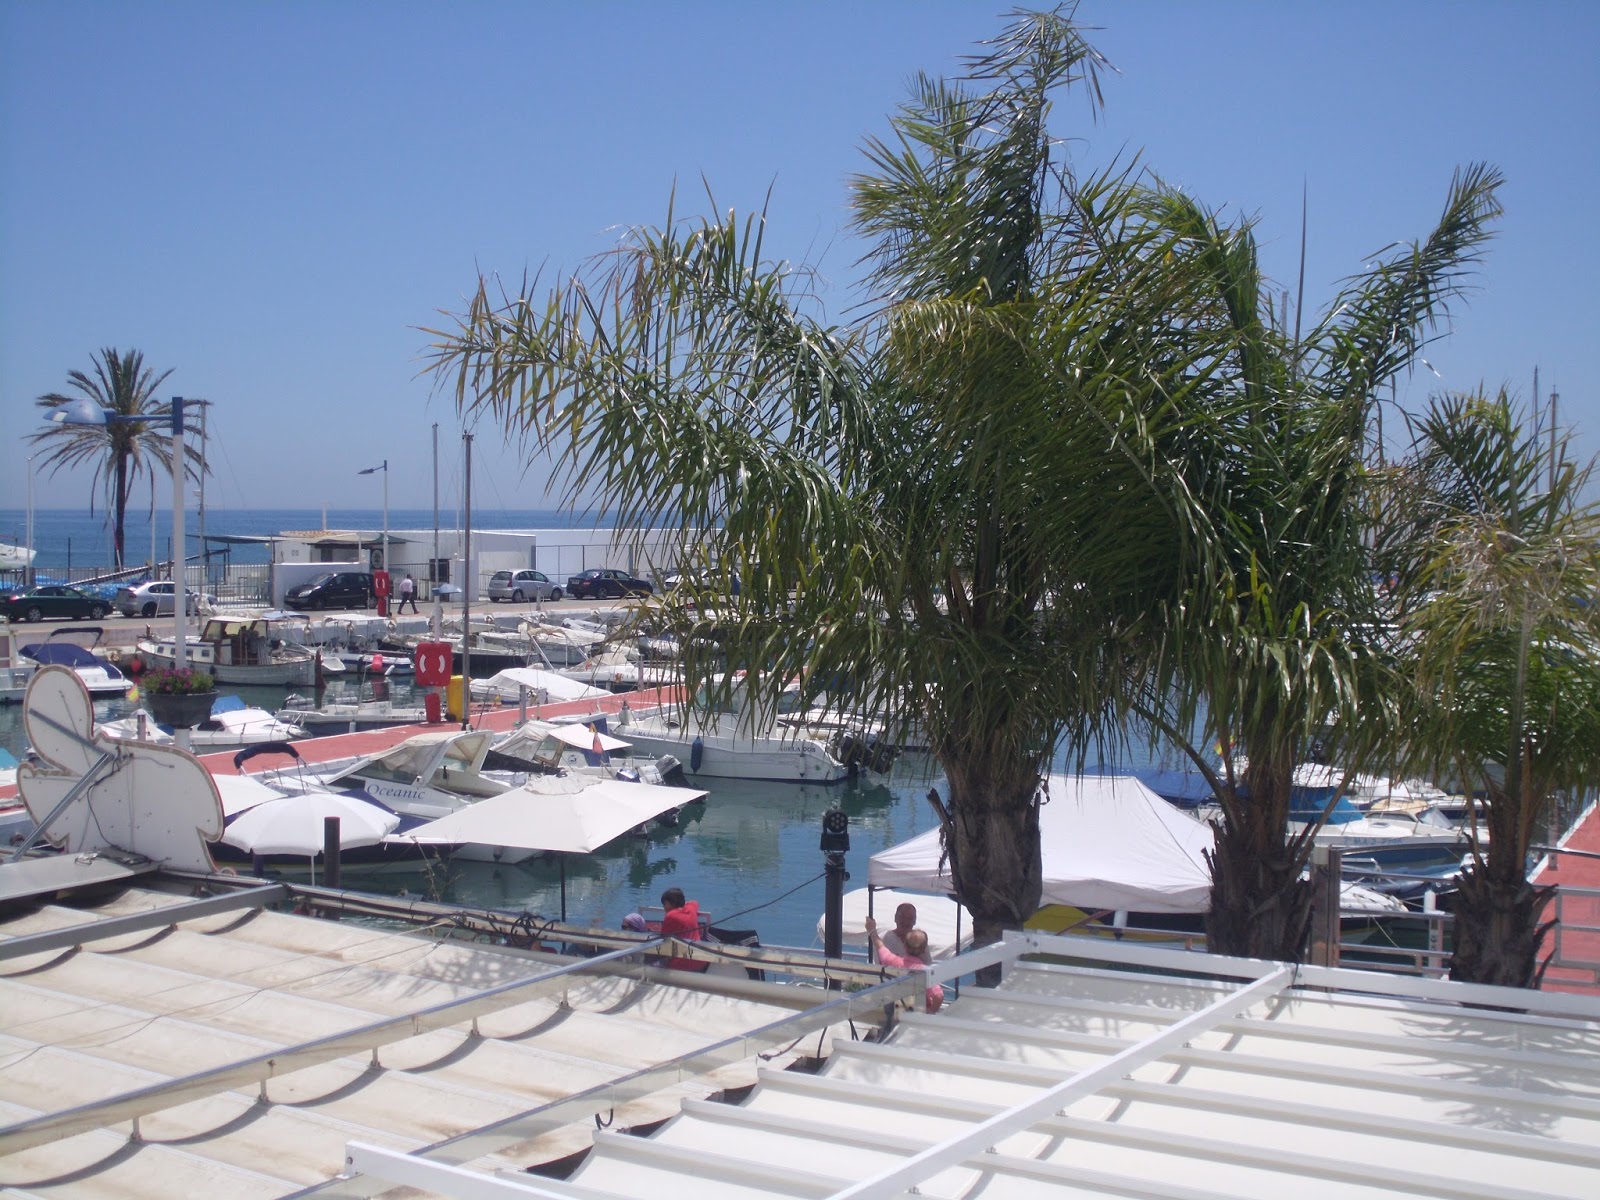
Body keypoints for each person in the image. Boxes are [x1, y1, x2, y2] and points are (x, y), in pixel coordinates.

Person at [865, 915, 944, 1013]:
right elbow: (938, 995)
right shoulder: (925, 972)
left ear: (905, 946)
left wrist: (872, 930)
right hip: (918, 1014)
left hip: (896, 1012)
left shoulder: (894, 962)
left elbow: (880, 946)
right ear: (924, 950)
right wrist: (930, 1011)